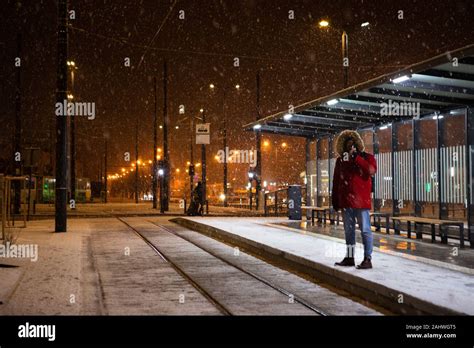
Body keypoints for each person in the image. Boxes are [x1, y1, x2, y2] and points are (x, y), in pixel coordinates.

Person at [332, 130, 377, 269]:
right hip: (346, 202)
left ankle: (367, 259)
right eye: (348, 145)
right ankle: (350, 257)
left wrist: (357, 157)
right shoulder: (340, 161)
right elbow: (336, 182)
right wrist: (335, 200)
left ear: (357, 145)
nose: (350, 147)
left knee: (365, 230)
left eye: (353, 144)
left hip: (361, 202)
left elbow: (370, 171)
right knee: (349, 231)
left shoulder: (367, 158)